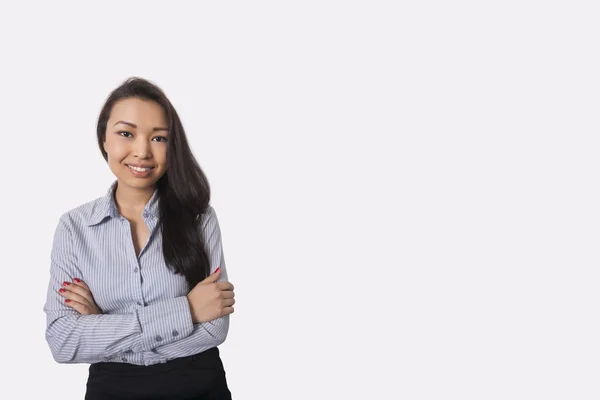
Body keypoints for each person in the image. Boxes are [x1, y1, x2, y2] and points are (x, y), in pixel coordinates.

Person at [43, 77, 235, 399]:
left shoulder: (199, 218)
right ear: (104, 139)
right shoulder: (74, 228)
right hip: (111, 391)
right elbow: (63, 340)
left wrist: (104, 327)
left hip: (199, 388)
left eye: (159, 138)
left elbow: (215, 327)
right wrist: (186, 310)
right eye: (126, 133)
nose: (143, 151)